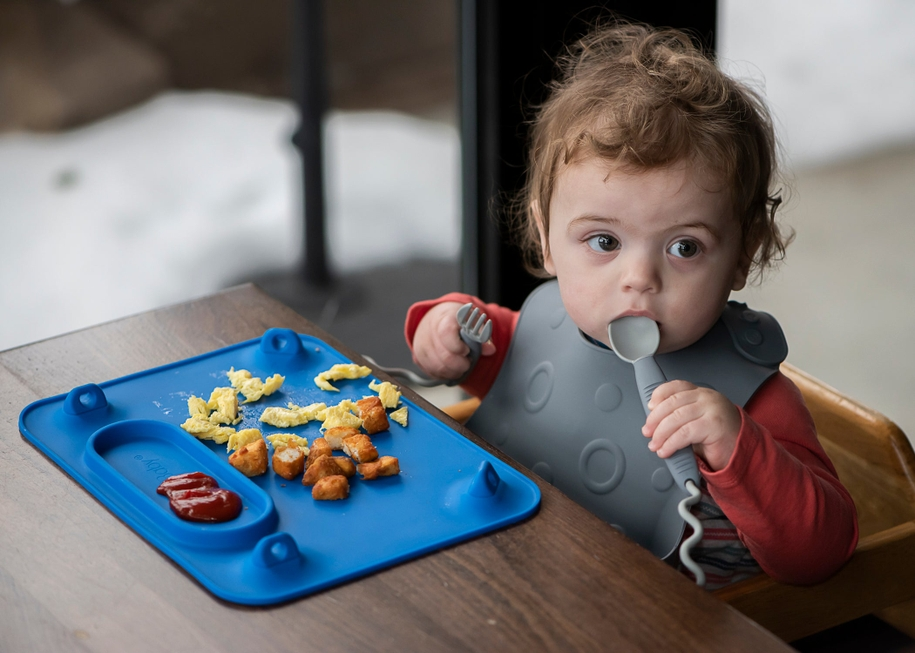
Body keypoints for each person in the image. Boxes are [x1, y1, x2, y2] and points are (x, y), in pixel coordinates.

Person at [404, 22, 857, 589]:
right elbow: (499, 351)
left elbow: (824, 553)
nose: (639, 279)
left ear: (745, 255)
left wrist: (735, 445)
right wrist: (445, 333)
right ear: (547, 239)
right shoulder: (549, 323)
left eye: (684, 247)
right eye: (604, 242)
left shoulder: (755, 399)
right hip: (525, 581)